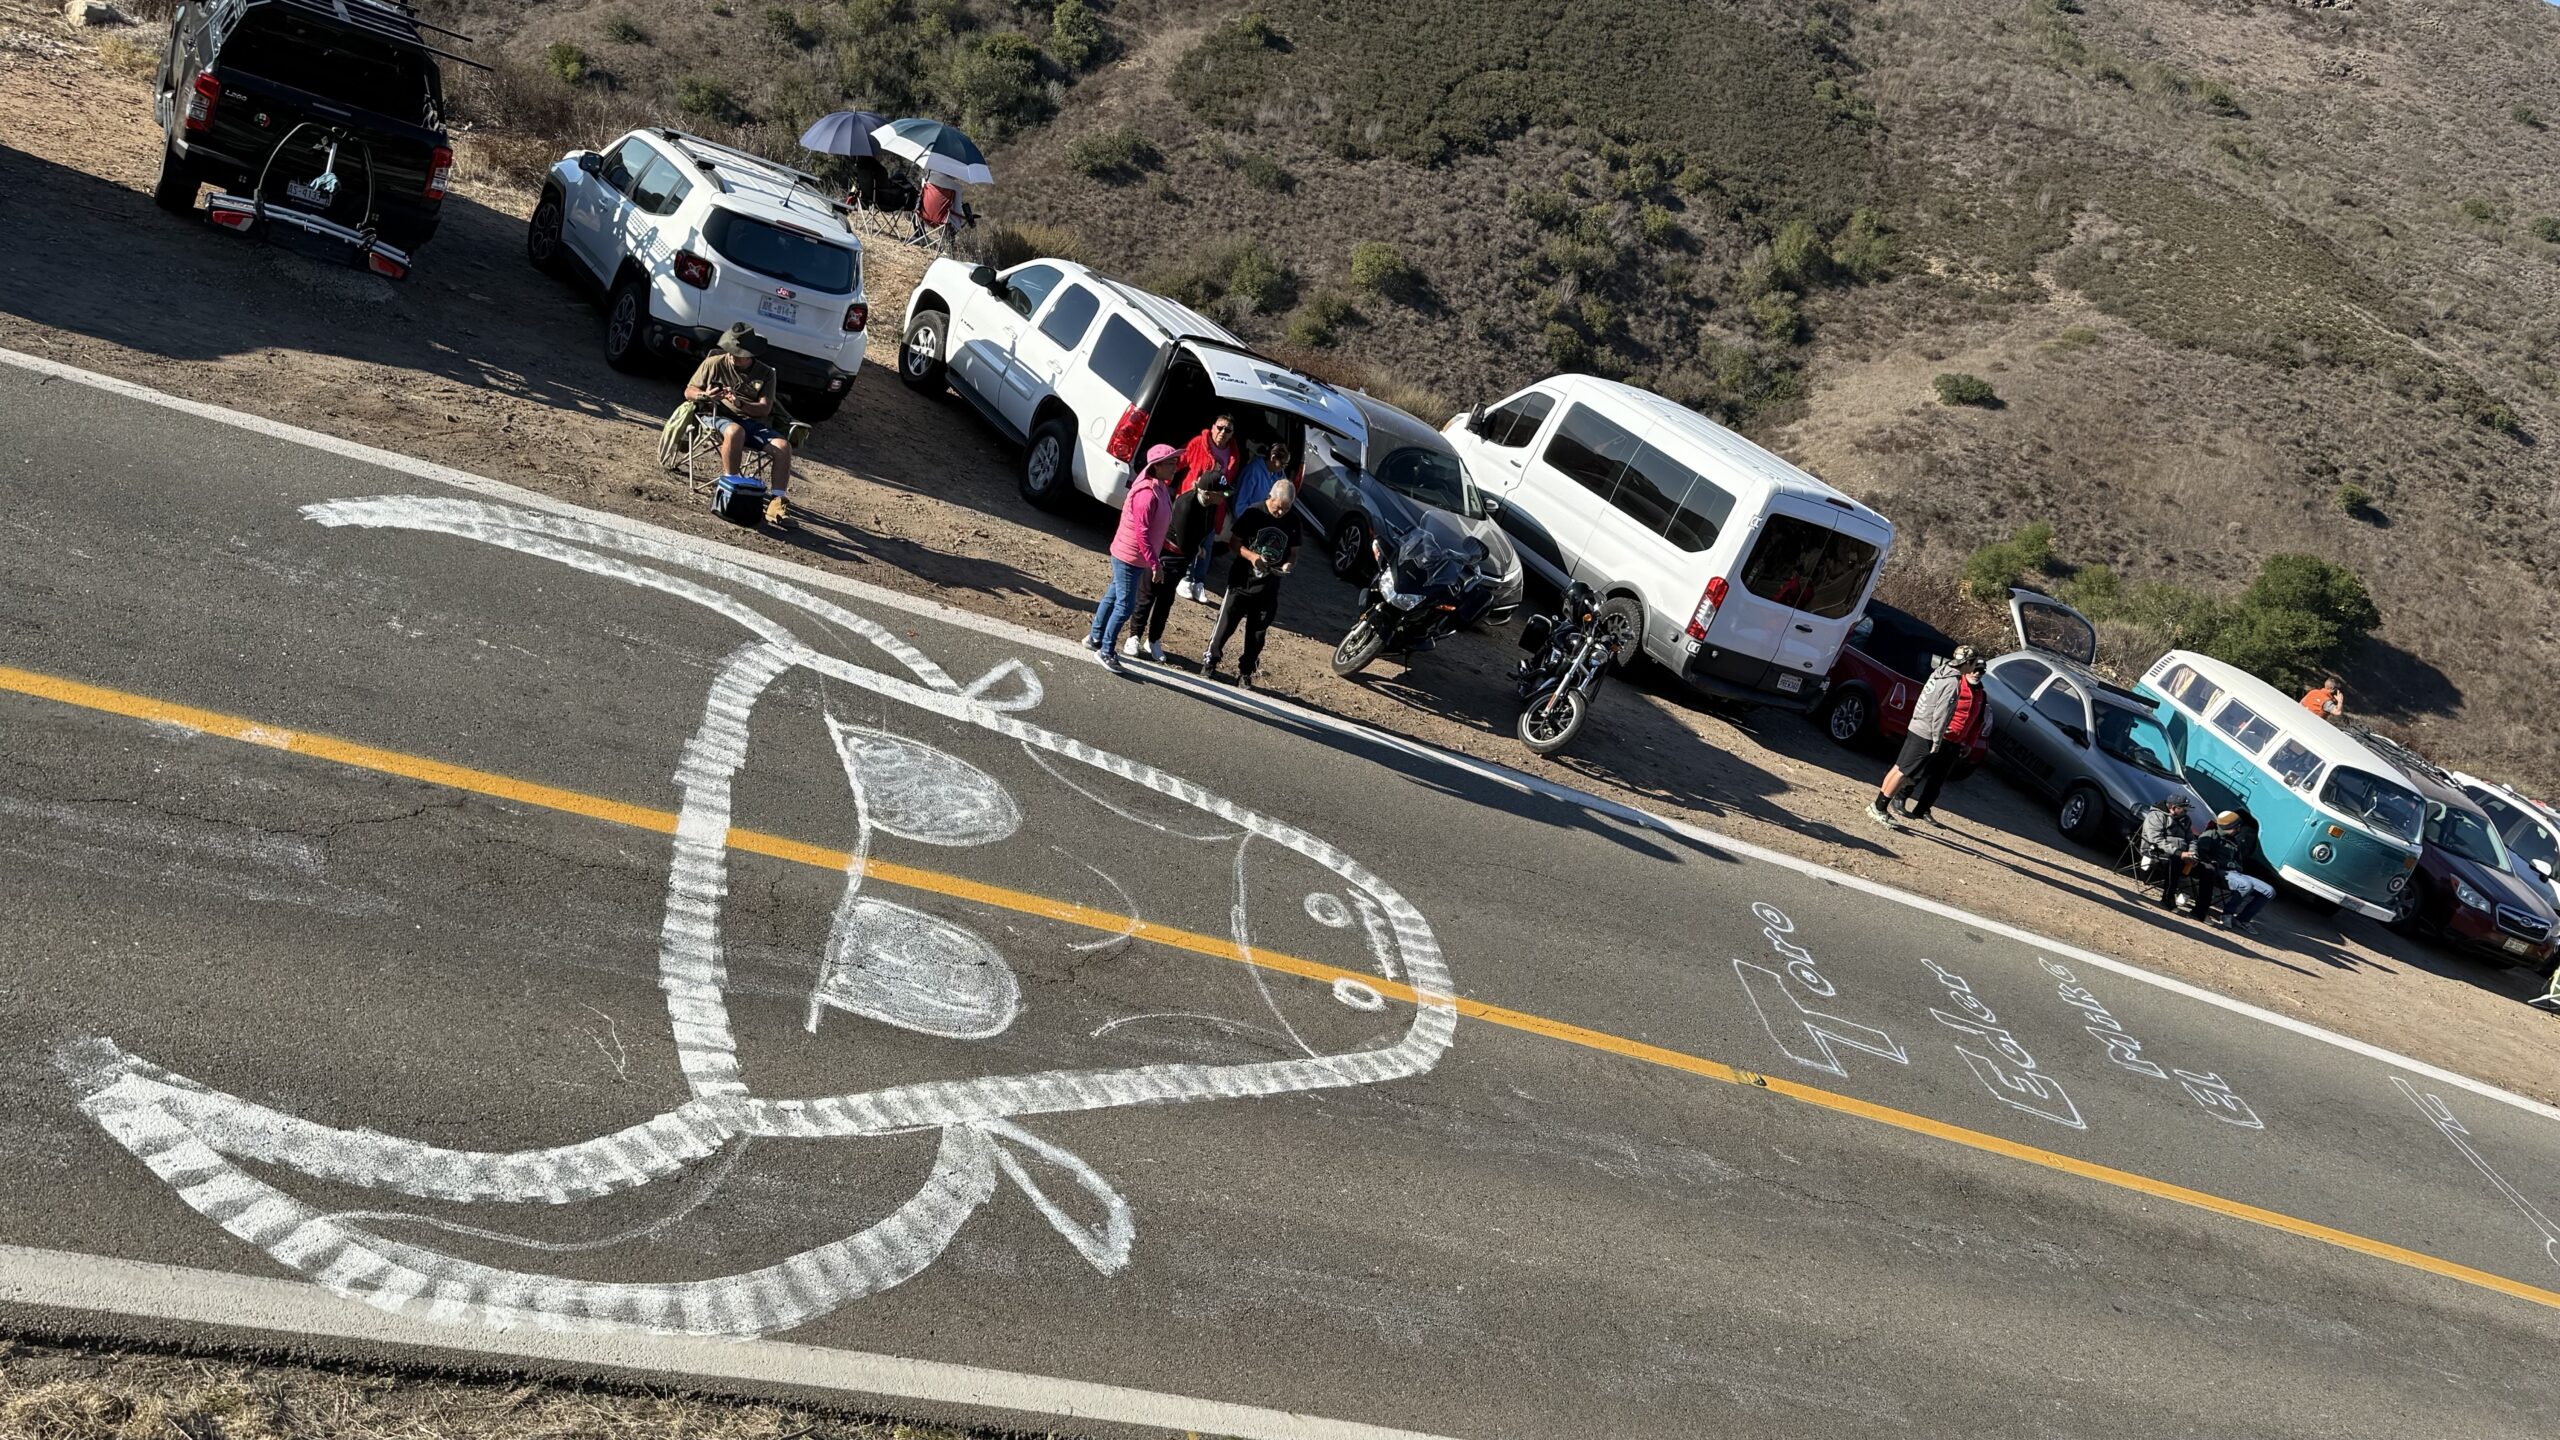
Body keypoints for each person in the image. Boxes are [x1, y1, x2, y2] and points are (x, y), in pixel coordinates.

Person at [685, 324, 797, 528]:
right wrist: (705, 395)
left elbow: (764, 409)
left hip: (751, 420)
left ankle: (777, 502)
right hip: (715, 414)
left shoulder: (766, 373)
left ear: (751, 354)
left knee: (783, 447)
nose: (733, 356)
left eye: (739, 354)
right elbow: (689, 391)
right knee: (735, 431)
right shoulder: (714, 363)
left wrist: (740, 403)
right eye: (731, 351)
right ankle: (733, 487)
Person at [1867, 647, 1986, 830]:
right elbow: (1941, 714)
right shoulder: (1952, 683)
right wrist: (1937, 740)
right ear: (1967, 663)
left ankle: (1879, 805)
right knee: (1904, 772)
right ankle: (1879, 808)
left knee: (1899, 767)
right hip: (1927, 732)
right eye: (1973, 664)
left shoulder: (1940, 672)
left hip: (1918, 725)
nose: (1975, 670)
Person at [1085, 445, 1179, 675]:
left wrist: (1165, 545)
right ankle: (1106, 650)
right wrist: (1155, 564)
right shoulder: (1147, 493)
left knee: (1113, 596)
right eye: (1171, 462)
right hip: (1129, 557)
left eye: (1175, 462)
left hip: (1135, 557)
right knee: (1125, 606)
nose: (1175, 467)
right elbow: (1142, 533)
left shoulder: (1160, 488)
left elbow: (1155, 527)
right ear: (1157, 466)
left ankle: (1095, 637)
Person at [1203, 478, 1302, 687]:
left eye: (1285, 509)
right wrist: (1252, 557)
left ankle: (1246, 671)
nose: (1280, 513)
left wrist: (1288, 565)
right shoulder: (1254, 512)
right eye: (1277, 507)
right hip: (1242, 580)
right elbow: (1234, 543)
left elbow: (1293, 552)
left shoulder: (1293, 521)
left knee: (1257, 634)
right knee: (1225, 625)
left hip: (1269, 586)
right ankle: (1211, 660)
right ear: (1270, 497)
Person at [1174, 416, 1244, 602]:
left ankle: (1199, 582)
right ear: (1213, 427)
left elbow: (1229, 482)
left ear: (1232, 434)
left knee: (1207, 544)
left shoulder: (1233, 455)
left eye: (1227, 430)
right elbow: (1178, 461)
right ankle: (1185, 578)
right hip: (1193, 501)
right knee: (1190, 541)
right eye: (1220, 428)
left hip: (1214, 506)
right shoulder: (1198, 443)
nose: (1222, 432)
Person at [2194, 810, 2275, 933]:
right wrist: (2214, 862)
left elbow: (2239, 860)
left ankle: (2243, 919)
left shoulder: (2233, 840)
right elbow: (2201, 852)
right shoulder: (2211, 834)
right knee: (2245, 885)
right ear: (2230, 826)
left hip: (2235, 873)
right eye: (2237, 827)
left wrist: (2236, 866)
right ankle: (2227, 914)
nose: (2239, 829)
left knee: (2269, 891)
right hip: (2219, 871)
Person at [2135, 795, 2198, 910]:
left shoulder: (2186, 819)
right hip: (2156, 850)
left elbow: (2192, 839)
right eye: (2183, 809)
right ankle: (2168, 898)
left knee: (2206, 868)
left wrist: (2192, 853)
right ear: (2173, 807)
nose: (2186, 812)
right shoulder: (2156, 815)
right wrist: (2179, 853)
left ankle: (2198, 908)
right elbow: (2156, 840)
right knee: (2174, 861)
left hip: (2181, 853)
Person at [1233, 438, 1293, 515]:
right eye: (1282, 464)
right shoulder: (1253, 471)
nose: (1284, 467)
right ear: (1273, 458)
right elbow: (1239, 506)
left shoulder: (1278, 474)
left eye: (1286, 465)